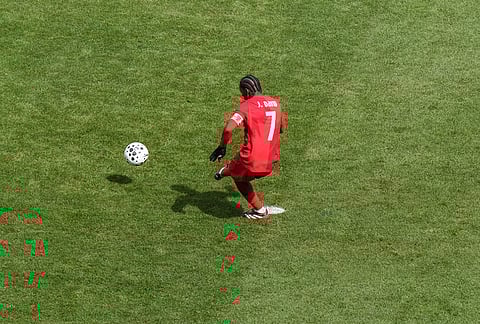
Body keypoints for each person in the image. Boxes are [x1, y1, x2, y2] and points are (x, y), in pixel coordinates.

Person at [209, 75, 283, 219]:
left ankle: (259, 210)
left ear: (247, 91)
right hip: (271, 158)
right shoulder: (276, 103)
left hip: (252, 158)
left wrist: (222, 147)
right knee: (239, 165)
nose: (243, 96)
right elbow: (280, 129)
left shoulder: (246, 106)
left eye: (243, 93)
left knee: (239, 177)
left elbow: (228, 129)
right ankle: (224, 171)